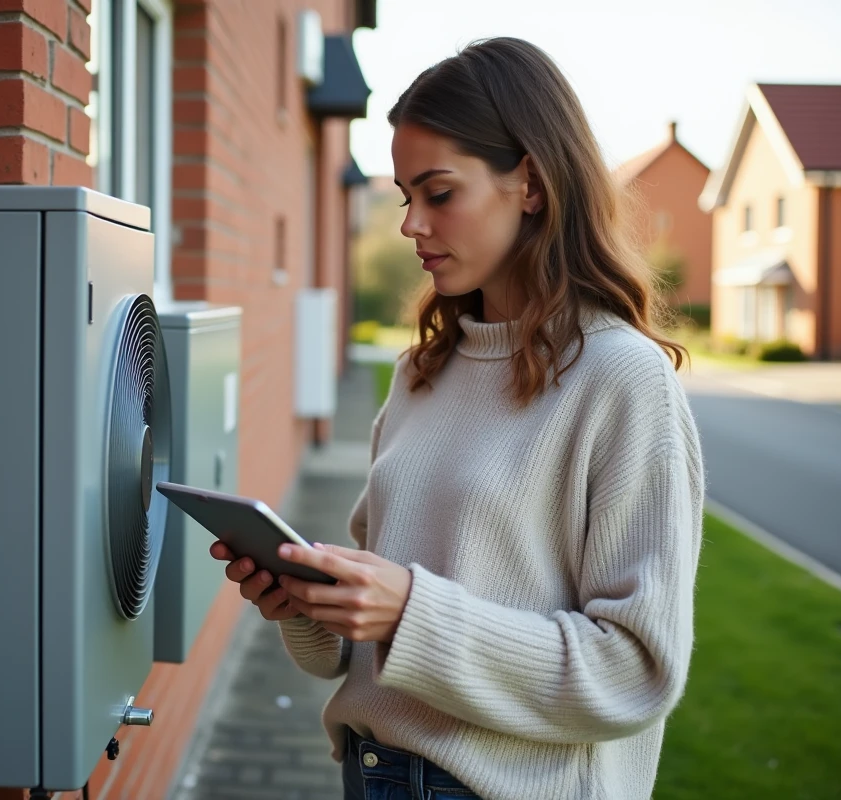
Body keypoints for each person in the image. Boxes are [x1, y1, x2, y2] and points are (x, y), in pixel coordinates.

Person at [210, 36, 705, 800]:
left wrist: (410, 609)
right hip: (372, 774)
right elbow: (355, 653)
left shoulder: (622, 380)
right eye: (406, 196)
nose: (410, 225)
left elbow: (635, 672)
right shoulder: (422, 372)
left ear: (531, 184)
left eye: (438, 193)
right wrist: (308, 605)